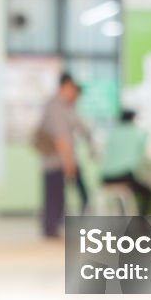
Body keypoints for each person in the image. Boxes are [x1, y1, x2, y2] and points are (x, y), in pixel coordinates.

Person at [34, 73, 93, 238]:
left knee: (61, 195)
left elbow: (79, 128)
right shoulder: (55, 106)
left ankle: (55, 227)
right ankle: (50, 229)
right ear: (65, 87)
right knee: (54, 196)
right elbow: (61, 139)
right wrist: (68, 163)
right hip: (56, 160)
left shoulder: (68, 106)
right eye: (72, 89)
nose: (74, 94)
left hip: (64, 159)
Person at [100, 110, 151, 215]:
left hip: (105, 178)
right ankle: (141, 222)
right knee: (148, 192)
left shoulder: (113, 133)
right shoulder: (137, 132)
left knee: (122, 195)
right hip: (124, 176)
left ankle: (122, 215)